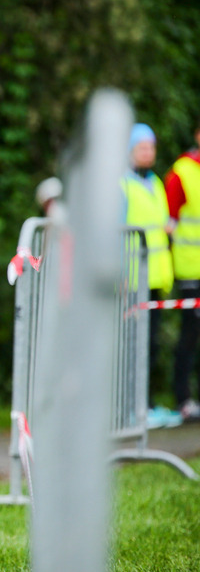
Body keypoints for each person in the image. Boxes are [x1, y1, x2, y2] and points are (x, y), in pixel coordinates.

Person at [122, 123, 180, 428]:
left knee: (151, 345)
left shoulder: (156, 182)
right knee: (131, 345)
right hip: (130, 278)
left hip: (155, 278)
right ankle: (128, 408)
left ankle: (144, 406)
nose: (148, 152)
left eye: (151, 147)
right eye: (142, 147)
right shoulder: (122, 184)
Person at [164, 117, 200, 423]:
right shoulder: (181, 173)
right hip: (190, 268)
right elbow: (170, 224)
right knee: (190, 335)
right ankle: (183, 399)